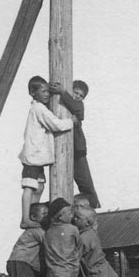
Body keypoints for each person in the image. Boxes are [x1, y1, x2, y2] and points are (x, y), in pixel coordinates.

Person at [19, 76, 75, 226]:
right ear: (32, 92)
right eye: (42, 91)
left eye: (47, 92)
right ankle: (25, 219)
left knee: (39, 186)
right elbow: (55, 124)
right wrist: (71, 122)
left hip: (37, 155)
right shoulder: (38, 108)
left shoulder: (39, 108)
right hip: (33, 155)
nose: (46, 94)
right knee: (29, 186)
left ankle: (33, 215)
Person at [49, 79, 100, 209]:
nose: (77, 96)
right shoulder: (60, 101)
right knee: (61, 180)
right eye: (75, 92)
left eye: (80, 96)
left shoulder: (77, 104)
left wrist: (63, 92)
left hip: (77, 150)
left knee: (85, 181)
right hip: (61, 147)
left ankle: (93, 205)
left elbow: (79, 112)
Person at [6, 201, 49, 277]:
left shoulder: (36, 230)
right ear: (34, 218)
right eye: (44, 213)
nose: (46, 216)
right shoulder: (37, 230)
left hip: (21, 262)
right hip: (20, 262)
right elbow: (50, 244)